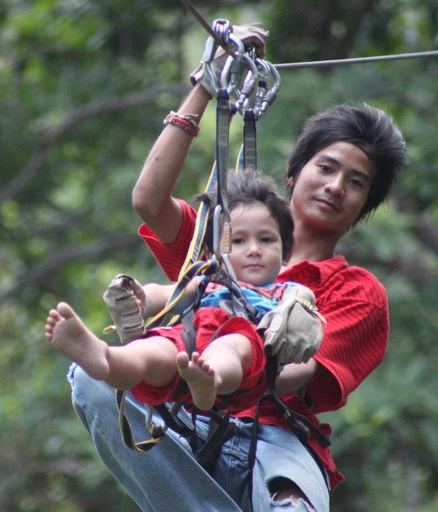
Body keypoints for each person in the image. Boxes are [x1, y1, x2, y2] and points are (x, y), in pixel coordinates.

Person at [67, 35, 408, 512]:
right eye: (326, 168)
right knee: (91, 379)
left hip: (275, 439)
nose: (335, 187)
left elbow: (292, 378)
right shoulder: (228, 239)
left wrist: (217, 365)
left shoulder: (355, 291)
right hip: (187, 419)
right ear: (293, 172)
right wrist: (206, 86)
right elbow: (149, 200)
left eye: (356, 184)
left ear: (362, 209)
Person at [46, 170, 320, 412]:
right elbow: (169, 294)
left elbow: (305, 318)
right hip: (190, 344)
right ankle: (106, 359)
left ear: (285, 253)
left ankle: (211, 381)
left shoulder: (286, 291)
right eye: (237, 241)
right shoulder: (207, 280)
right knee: (153, 349)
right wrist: (142, 301)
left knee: (232, 344)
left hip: (245, 354)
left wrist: (300, 311)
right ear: (216, 252)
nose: (253, 250)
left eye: (266, 239)